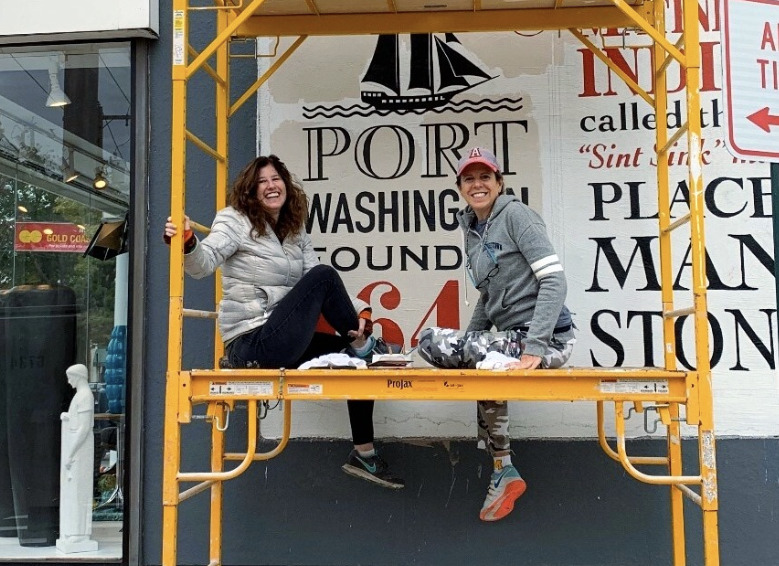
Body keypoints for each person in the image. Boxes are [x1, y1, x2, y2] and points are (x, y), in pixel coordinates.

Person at [164, 155, 403, 490]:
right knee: (327, 281)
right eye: (262, 181)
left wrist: (361, 310)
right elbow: (204, 264)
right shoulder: (234, 220)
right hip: (252, 340)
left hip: (282, 335)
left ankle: (364, 454)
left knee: (355, 362)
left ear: (286, 186)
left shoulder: (294, 231)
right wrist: (188, 241)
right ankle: (366, 345)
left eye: (276, 178)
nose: (271, 185)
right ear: (251, 190)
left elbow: (317, 285)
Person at [417, 147, 575, 522]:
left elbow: (554, 280)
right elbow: (488, 295)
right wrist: (470, 343)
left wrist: (536, 347)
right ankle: (502, 468)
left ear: (499, 182)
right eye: (469, 178)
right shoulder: (473, 227)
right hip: (510, 339)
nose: (477, 184)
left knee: (430, 340)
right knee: (477, 364)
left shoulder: (516, 215)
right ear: (460, 187)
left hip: (546, 340)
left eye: (485, 176)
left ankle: (503, 468)